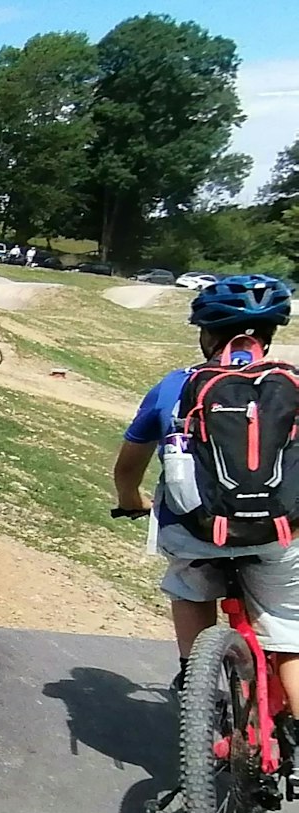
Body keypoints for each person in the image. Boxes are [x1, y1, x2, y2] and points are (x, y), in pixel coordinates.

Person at [112, 276, 295, 694]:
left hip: (198, 531)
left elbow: (128, 467)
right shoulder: (290, 385)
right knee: (289, 633)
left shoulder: (174, 386)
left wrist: (131, 500)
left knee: (190, 586)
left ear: (207, 335)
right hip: (281, 534)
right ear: (268, 336)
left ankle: (195, 679)